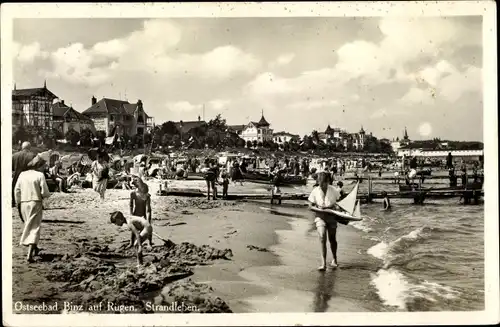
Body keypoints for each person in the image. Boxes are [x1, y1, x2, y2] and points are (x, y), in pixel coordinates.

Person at [14, 155, 51, 263]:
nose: (44, 168)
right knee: (35, 227)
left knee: (28, 224)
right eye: (43, 166)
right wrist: (46, 197)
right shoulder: (40, 175)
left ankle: (35, 248)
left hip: (24, 202)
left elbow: (17, 190)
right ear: (38, 166)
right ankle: (29, 255)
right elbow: (44, 191)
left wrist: (18, 203)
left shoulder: (22, 174)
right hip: (35, 202)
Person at [308, 172, 341, 271]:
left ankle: (334, 259)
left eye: (323, 183)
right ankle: (323, 263)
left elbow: (340, 203)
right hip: (320, 215)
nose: (321, 185)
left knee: (332, 239)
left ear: (327, 182)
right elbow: (310, 206)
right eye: (320, 183)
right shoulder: (315, 191)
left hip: (331, 216)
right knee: (322, 237)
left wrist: (336, 207)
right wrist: (318, 208)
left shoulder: (334, 190)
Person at [12, 141, 37, 207]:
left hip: (17, 176)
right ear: (30, 147)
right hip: (28, 177)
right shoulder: (32, 155)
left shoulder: (14, 155)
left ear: (22, 147)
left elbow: (11, 168)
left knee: (16, 189)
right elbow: (35, 167)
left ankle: (14, 202)